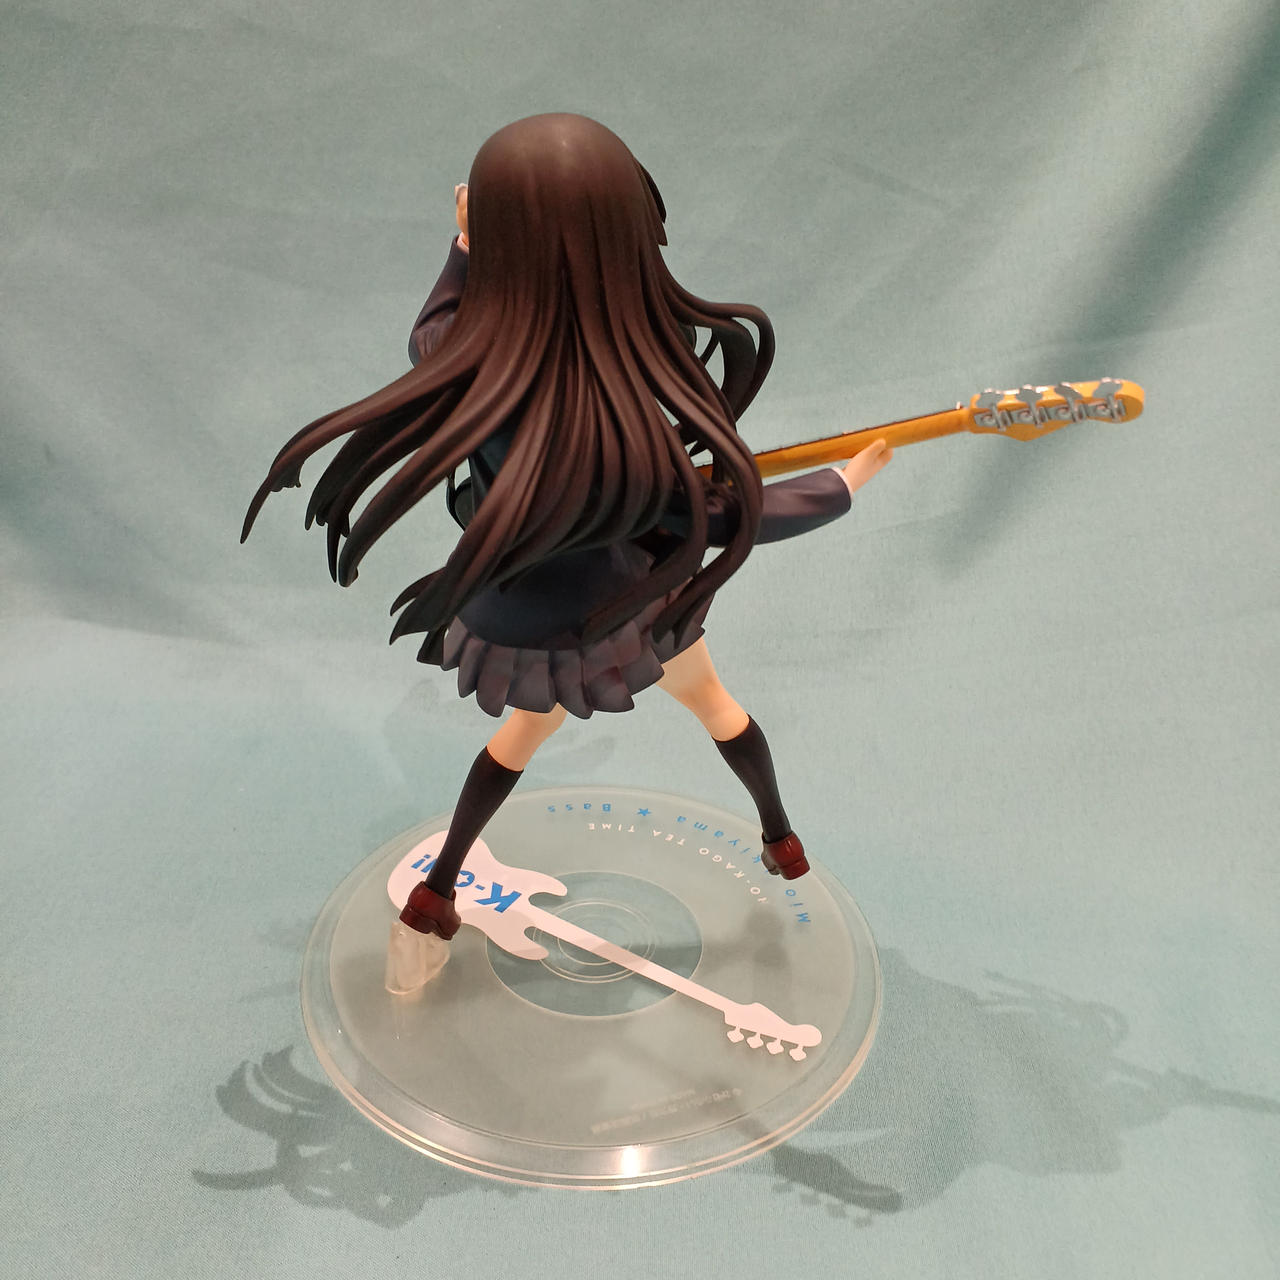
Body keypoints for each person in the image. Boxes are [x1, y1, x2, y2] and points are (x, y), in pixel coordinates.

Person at [242, 113, 892, 946]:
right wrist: (837, 487)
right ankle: (781, 838)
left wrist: (466, 245)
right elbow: (711, 516)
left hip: (526, 609)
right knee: (712, 703)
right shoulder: (607, 414)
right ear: (625, 238)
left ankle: (438, 890)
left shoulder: (461, 359)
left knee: (521, 740)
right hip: (619, 608)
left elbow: (431, 325)